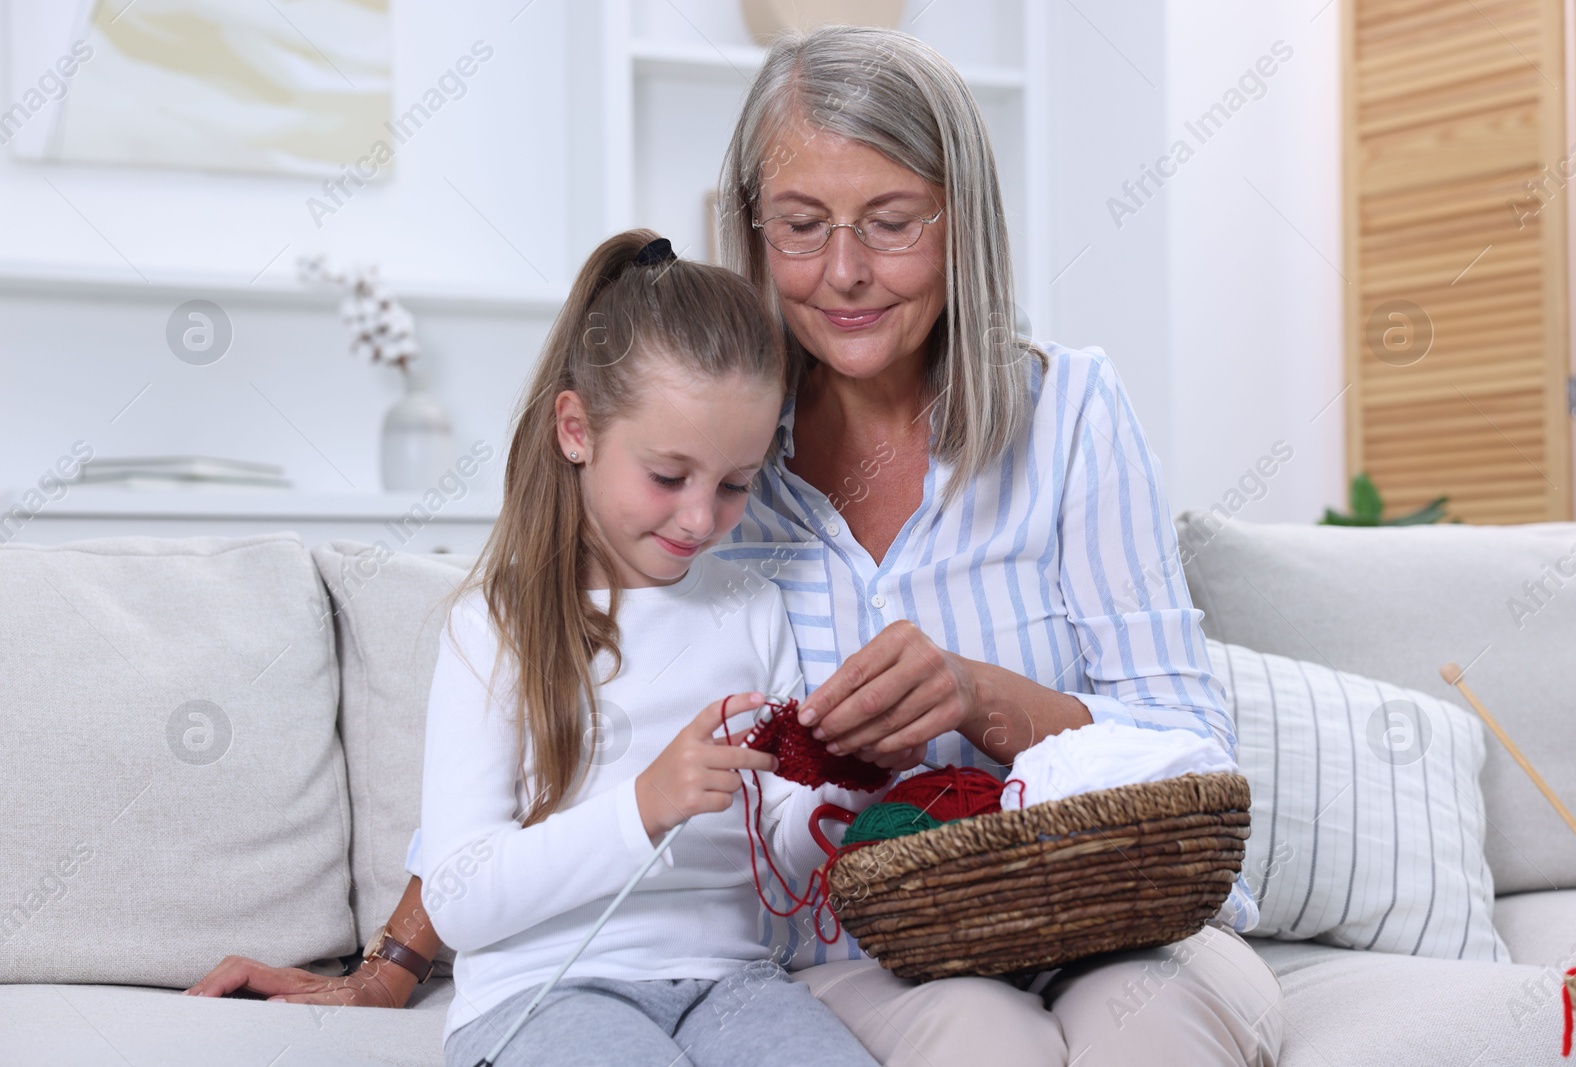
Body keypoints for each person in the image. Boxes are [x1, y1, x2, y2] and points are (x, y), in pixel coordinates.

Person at [190, 26, 1284, 1067]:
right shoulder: (713, 446)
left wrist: (976, 698)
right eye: (802, 224)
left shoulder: (1073, 415)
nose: (843, 271)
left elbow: (1191, 753)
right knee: (980, 1041)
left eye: (892, 221)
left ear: (964, 222)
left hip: (1116, 915)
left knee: (1144, 1034)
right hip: (889, 950)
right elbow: (556, 707)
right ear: (753, 225)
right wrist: (390, 967)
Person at [433, 230, 901, 1065]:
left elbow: (783, 863)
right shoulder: (494, 625)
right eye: (667, 475)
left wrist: (846, 776)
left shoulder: (754, 609)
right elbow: (458, 900)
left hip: (731, 981)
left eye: (734, 484)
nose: (698, 519)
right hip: (541, 992)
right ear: (576, 430)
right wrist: (643, 805)